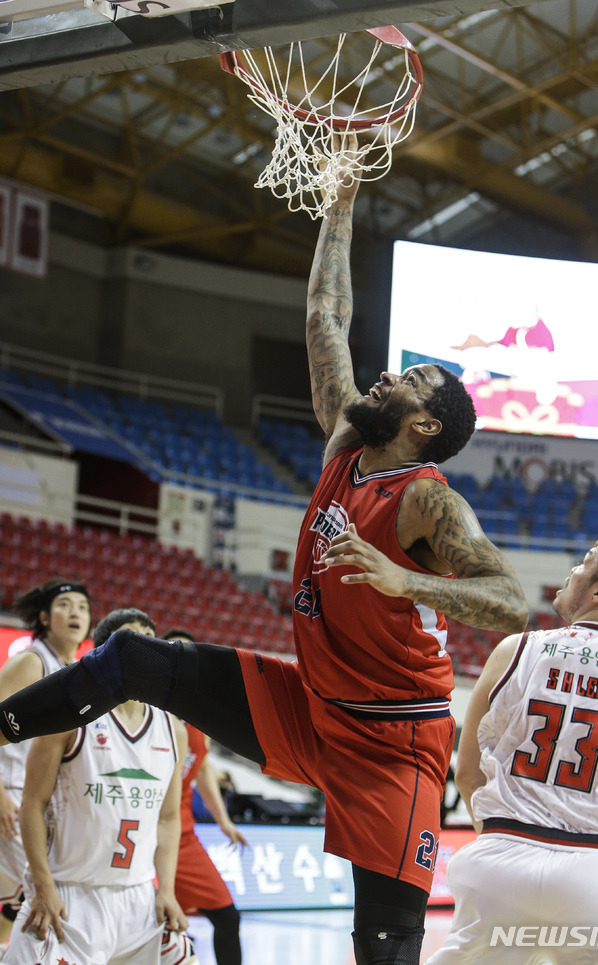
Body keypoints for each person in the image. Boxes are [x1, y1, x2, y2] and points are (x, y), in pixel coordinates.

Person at [0, 170, 528, 965]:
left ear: (424, 422)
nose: (390, 373)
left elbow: (513, 601)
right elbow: (326, 317)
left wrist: (404, 580)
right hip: (313, 704)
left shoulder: (427, 501)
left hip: (394, 741)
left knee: (384, 950)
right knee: (138, 657)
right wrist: (341, 207)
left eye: (412, 379)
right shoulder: (347, 445)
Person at [427, 536, 598, 965]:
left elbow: (467, 773)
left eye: (584, 563)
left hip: (500, 861)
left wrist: (502, 843)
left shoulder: (516, 648)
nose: (573, 570)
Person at [3, 608, 196, 965]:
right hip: (69, 895)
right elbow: (33, 803)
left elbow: (168, 819)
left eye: (151, 642)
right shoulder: (68, 716)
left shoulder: (173, 729)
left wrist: (166, 889)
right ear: (106, 653)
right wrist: (44, 887)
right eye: (133, 641)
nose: (145, 651)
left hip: (139, 898)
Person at [0, 578, 91, 947]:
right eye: (66, 604)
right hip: (12, 798)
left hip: (39, 803)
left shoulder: (72, 670)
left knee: (18, 901)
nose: (76, 613)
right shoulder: (31, 661)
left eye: (83, 607)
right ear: (43, 616)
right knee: (44, 893)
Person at [162, 629, 246, 965]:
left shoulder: (197, 710)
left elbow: (203, 768)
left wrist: (224, 821)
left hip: (183, 834)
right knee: (158, 926)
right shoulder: (150, 712)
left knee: (227, 917)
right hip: (149, 835)